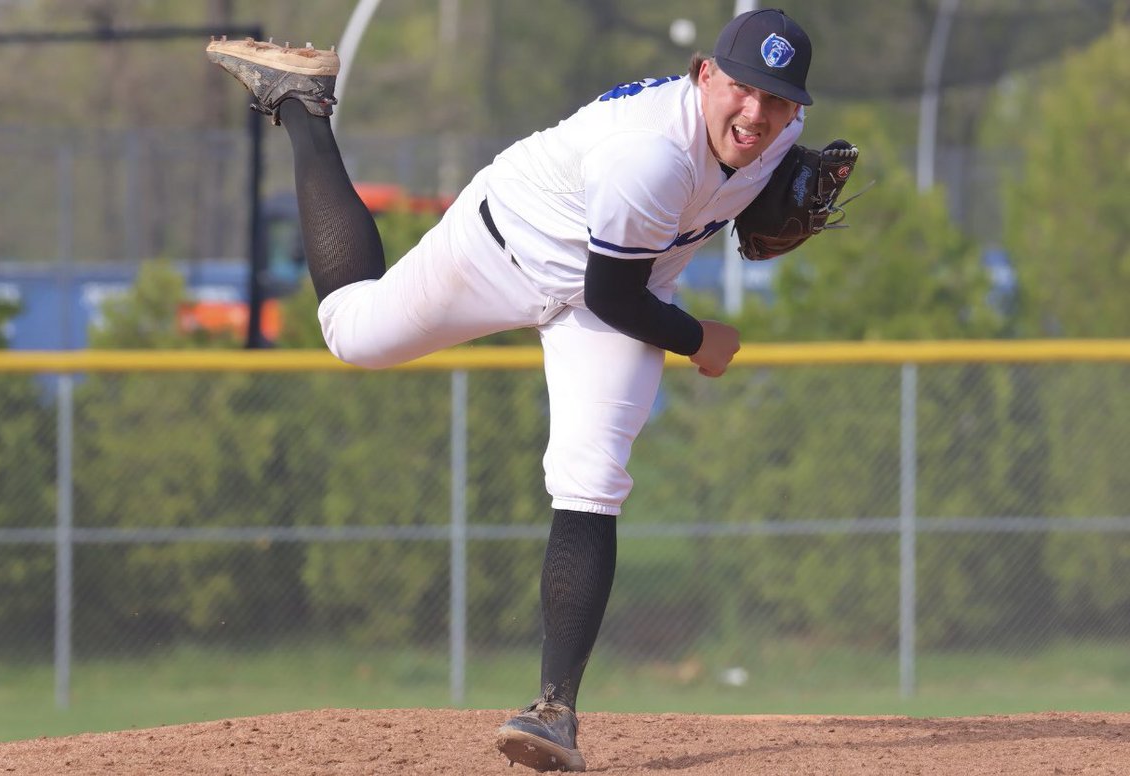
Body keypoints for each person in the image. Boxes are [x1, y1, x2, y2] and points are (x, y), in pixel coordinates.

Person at [208, 7, 816, 772]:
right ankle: (302, 104)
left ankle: (553, 710)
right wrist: (703, 341)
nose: (757, 111)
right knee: (355, 335)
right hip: (512, 245)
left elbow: (662, 252)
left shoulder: (778, 140)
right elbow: (614, 299)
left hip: (628, 277)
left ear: (797, 108)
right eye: (742, 88)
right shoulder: (648, 156)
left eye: (779, 98)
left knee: (593, 479)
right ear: (703, 75)